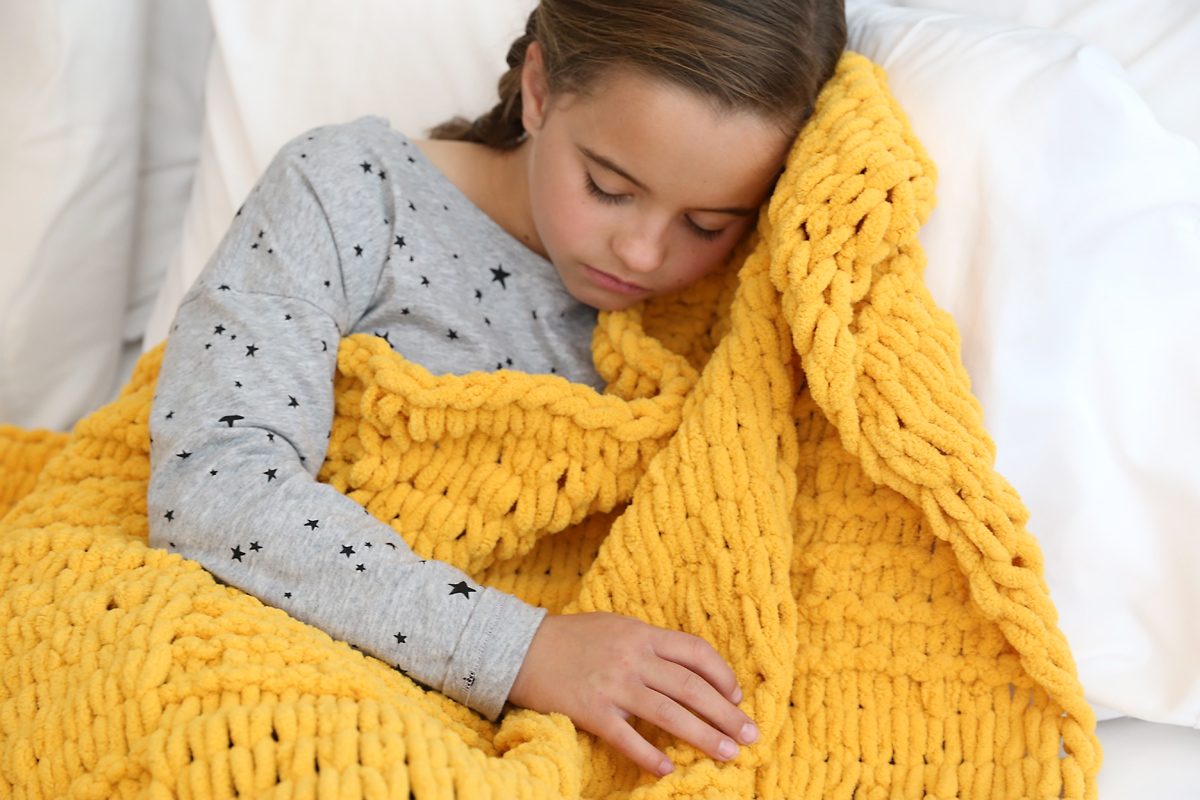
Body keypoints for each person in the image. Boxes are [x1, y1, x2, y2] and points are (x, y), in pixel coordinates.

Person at [147, 0, 846, 779]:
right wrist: (523, 650)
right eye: (609, 187)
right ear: (540, 89)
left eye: (709, 225)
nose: (645, 253)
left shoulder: (730, 310)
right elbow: (212, 486)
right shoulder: (353, 190)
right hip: (263, 632)